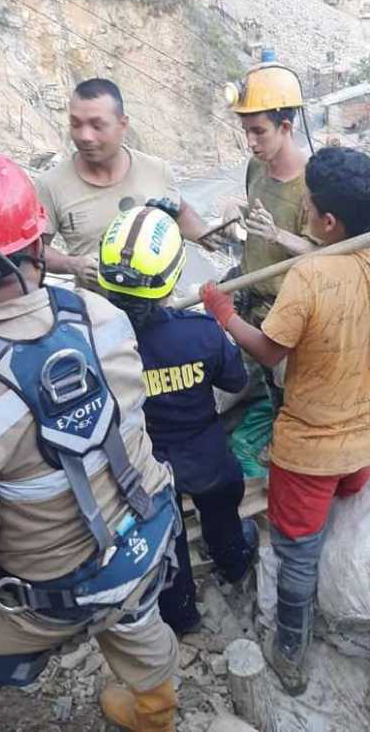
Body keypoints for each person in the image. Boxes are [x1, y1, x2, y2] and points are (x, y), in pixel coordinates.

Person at [0, 143, 180, 732]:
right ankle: (154, 713)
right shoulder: (102, 317)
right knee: (133, 613)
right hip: (145, 542)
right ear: (37, 245)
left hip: (50, 600)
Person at [201, 147, 370, 695]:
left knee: (297, 552)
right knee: (341, 512)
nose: (304, 214)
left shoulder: (312, 278)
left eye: (309, 208)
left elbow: (269, 352)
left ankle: (292, 655)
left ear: (328, 221)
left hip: (312, 452)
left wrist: (224, 313)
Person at [97, 205, 258, 634]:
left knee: (166, 541)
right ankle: (234, 561)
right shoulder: (200, 333)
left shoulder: (93, 343)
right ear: (172, 275)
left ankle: (181, 615)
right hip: (205, 455)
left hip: (140, 467)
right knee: (222, 508)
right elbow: (237, 378)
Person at [35, 78, 215, 290]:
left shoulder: (156, 170)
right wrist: (72, 264)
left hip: (156, 311)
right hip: (96, 315)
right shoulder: (50, 185)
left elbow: (179, 211)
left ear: (123, 124)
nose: (85, 136)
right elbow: (33, 250)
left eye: (97, 125)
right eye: (75, 124)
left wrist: (206, 234)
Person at [223, 62, 318, 410]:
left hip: (285, 310)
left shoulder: (312, 184)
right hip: (252, 301)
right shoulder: (256, 166)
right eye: (245, 130)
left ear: (286, 127)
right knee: (261, 379)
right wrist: (235, 208)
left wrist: (279, 236)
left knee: (290, 391)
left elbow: (327, 257)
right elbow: (257, 213)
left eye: (259, 131)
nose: (250, 142)